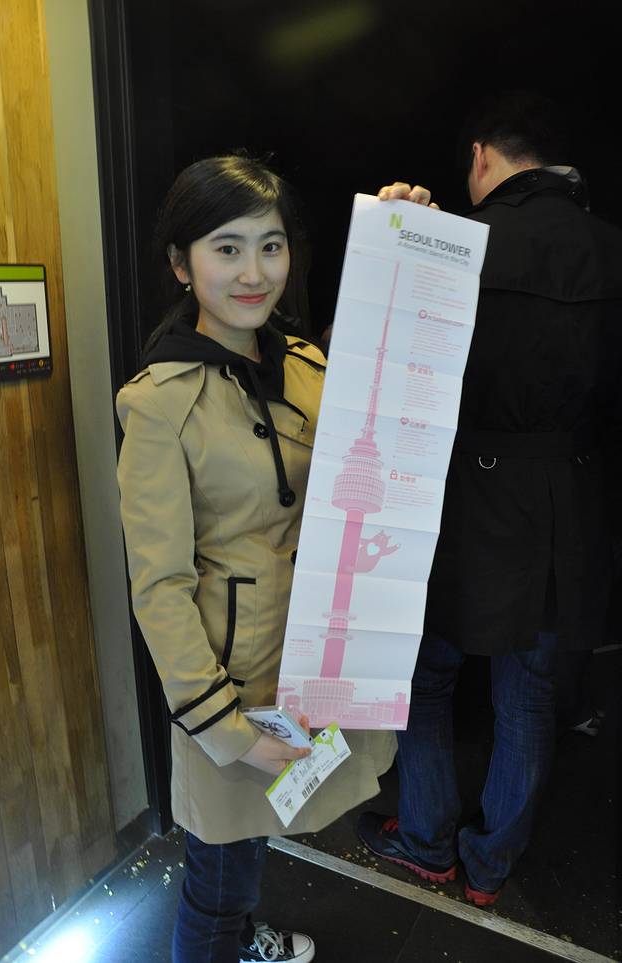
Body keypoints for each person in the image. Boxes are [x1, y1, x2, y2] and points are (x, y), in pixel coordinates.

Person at [116, 155, 401, 963]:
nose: (253, 272)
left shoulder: (308, 366)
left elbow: (380, 388)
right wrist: (224, 728)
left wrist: (398, 239)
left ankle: (243, 938)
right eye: (227, 248)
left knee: (249, 848)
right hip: (234, 685)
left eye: (270, 246)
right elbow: (160, 588)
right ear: (182, 264)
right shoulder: (158, 405)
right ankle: (224, 941)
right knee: (219, 869)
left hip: (313, 662)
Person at [358, 91, 622, 906]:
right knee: (530, 696)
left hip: (462, 502)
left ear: (481, 156)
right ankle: (490, 866)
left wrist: (398, 230)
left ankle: (427, 840)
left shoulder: (459, 243)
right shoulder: (611, 248)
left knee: (425, 677)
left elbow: (386, 365)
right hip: (572, 502)